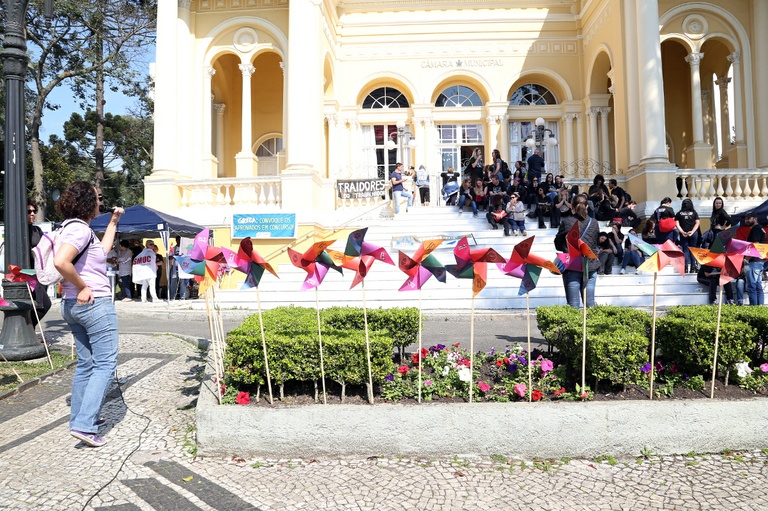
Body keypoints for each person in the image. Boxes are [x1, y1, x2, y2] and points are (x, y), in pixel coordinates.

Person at [53, 182, 124, 448]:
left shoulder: (70, 228)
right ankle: (85, 425)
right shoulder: (79, 230)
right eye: (97, 198)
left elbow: (102, 253)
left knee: (87, 364)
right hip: (92, 303)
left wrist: (113, 222)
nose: (100, 202)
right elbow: (61, 262)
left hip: (72, 305)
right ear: (86, 202)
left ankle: (80, 419)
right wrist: (84, 286)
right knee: (105, 364)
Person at [554, 194, 600, 308]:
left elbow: (558, 244)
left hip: (573, 265)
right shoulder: (594, 222)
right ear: (587, 207)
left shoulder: (566, 222)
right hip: (590, 265)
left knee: (573, 305)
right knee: (590, 304)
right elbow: (596, 242)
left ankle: (574, 326)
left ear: (572, 207)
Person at [27, 200, 52, 327]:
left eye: (34, 211)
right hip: (25, 273)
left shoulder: (37, 230)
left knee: (40, 304)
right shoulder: (18, 230)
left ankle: (30, 330)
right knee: (44, 304)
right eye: (29, 211)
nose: (32, 214)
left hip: (39, 273)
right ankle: (28, 330)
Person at [744, 212, 766, 305]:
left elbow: (755, 246)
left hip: (754, 262)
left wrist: (747, 259)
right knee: (757, 286)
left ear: (755, 218)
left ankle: (754, 308)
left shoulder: (756, 229)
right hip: (759, 262)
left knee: (752, 287)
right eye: (746, 218)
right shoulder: (760, 229)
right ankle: (759, 308)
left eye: (749, 218)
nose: (747, 220)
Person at [675, 198, 700, 274]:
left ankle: (685, 267)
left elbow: (677, 224)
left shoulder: (679, 213)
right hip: (693, 233)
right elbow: (697, 223)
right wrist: (692, 232)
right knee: (693, 250)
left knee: (685, 250)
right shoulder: (694, 213)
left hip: (684, 234)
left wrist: (682, 232)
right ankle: (693, 267)